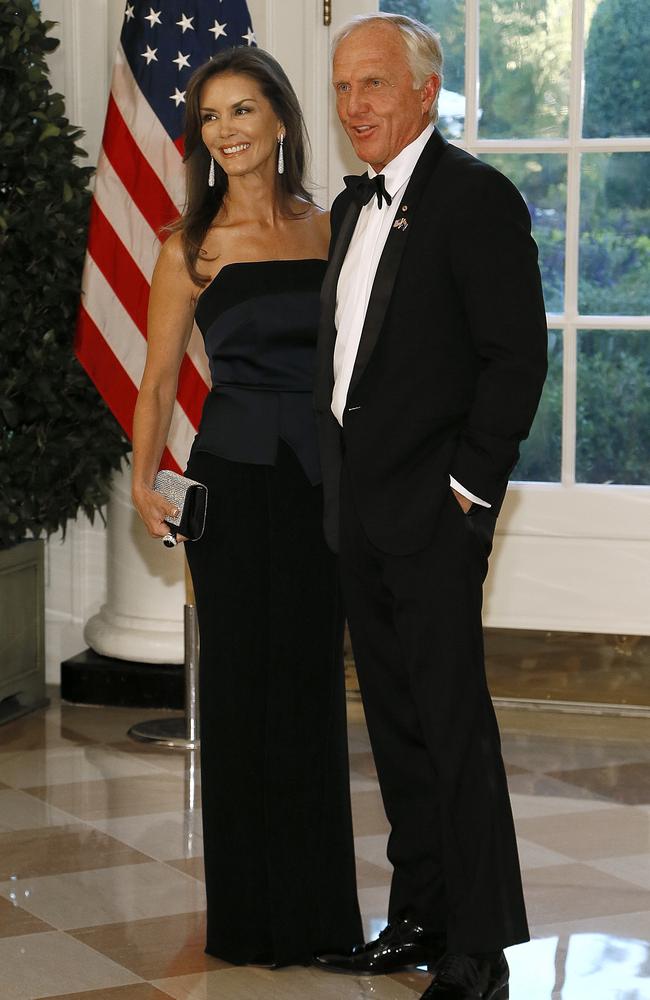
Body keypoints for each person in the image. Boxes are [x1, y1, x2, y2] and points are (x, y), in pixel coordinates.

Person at [313, 13, 547, 1000]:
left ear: (423, 89)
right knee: (397, 724)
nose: (353, 105)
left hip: (432, 510)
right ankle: (415, 915)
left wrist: (467, 489)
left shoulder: (474, 199)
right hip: (356, 511)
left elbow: (515, 357)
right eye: (340, 88)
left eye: (372, 84)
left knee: (452, 726)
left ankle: (476, 949)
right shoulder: (343, 208)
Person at [132, 47, 362, 968]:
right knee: (237, 694)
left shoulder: (328, 227)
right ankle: (247, 921)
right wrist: (143, 480)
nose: (225, 131)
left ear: (278, 120)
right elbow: (154, 386)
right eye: (212, 118)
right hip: (229, 484)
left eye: (242, 111)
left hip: (319, 485)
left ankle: (319, 921)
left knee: (308, 691)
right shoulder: (189, 246)